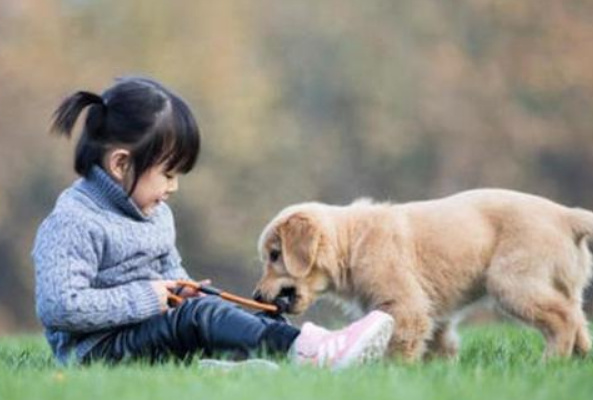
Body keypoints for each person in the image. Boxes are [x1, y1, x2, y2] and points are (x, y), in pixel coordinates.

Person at [32, 77, 394, 369]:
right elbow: (60, 306)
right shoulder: (73, 222)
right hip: (99, 352)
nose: (174, 187)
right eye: (168, 174)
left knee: (218, 312)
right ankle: (310, 351)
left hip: (149, 333)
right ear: (121, 164)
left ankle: (278, 354)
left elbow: (167, 268)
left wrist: (183, 287)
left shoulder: (155, 213)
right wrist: (148, 298)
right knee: (197, 316)